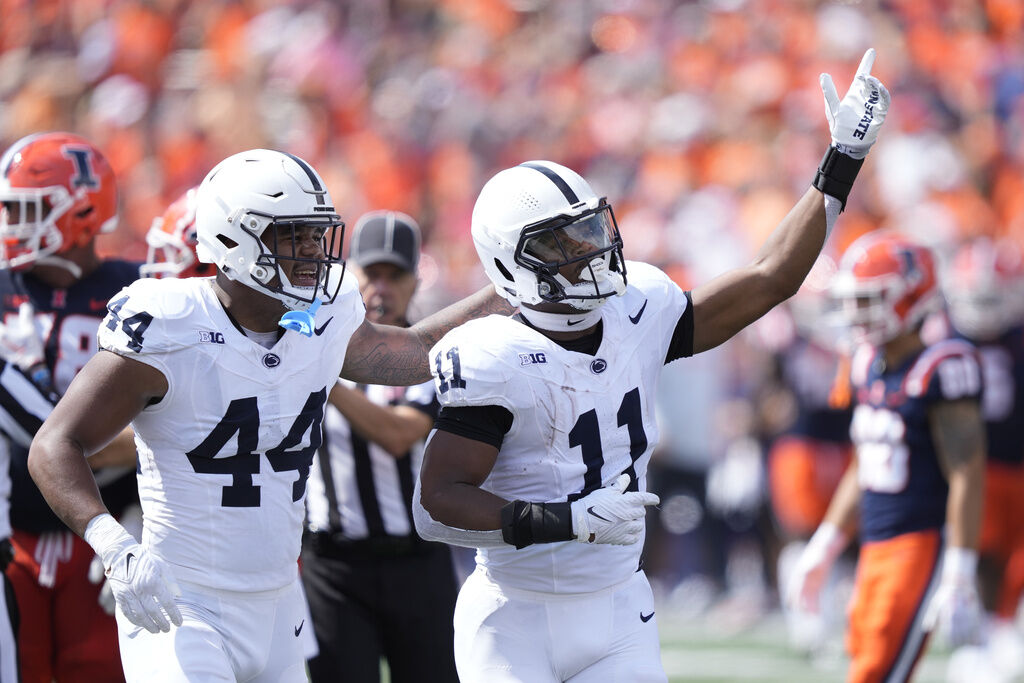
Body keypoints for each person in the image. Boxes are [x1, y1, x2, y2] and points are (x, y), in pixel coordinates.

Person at [413, 49, 890, 682]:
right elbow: (437, 504)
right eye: (559, 247)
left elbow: (769, 278)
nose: (587, 255)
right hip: (514, 615)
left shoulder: (639, 308)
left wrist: (843, 161)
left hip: (618, 609)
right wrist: (567, 520)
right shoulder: (494, 354)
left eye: (587, 233)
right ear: (508, 267)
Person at [26, 147, 513, 682]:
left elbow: (416, 352)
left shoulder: (323, 321)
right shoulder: (169, 324)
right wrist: (112, 542)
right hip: (186, 604)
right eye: (292, 235)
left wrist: (509, 287)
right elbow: (55, 444)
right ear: (234, 240)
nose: (311, 251)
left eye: (314, 234)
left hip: (280, 602)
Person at [786, 233, 988, 683]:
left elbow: (967, 473)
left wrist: (960, 569)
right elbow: (865, 463)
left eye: (870, 300)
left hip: (918, 542)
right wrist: (825, 545)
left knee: (875, 671)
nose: (856, 313)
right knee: (864, 658)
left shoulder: (942, 366)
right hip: (875, 545)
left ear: (913, 298)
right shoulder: (867, 363)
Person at [0, 131, 143, 683]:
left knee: (98, 670)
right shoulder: (3, 286)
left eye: (27, 209)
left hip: (105, 530)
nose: (13, 224)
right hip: (16, 537)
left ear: (82, 210)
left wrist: (145, 520)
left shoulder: (135, 290)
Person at [303, 210, 459, 683]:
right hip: (332, 567)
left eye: (396, 275)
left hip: (417, 562)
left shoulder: (436, 355)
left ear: (416, 280)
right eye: (373, 273)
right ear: (351, 274)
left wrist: (319, 371)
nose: (382, 288)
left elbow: (397, 434)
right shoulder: (307, 346)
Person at [944, 237, 1024, 622]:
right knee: (984, 552)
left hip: (1011, 461)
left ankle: (999, 624)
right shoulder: (944, 341)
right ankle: (984, 623)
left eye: (993, 299)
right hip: (976, 465)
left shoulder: (1016, 338)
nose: (983, 311)